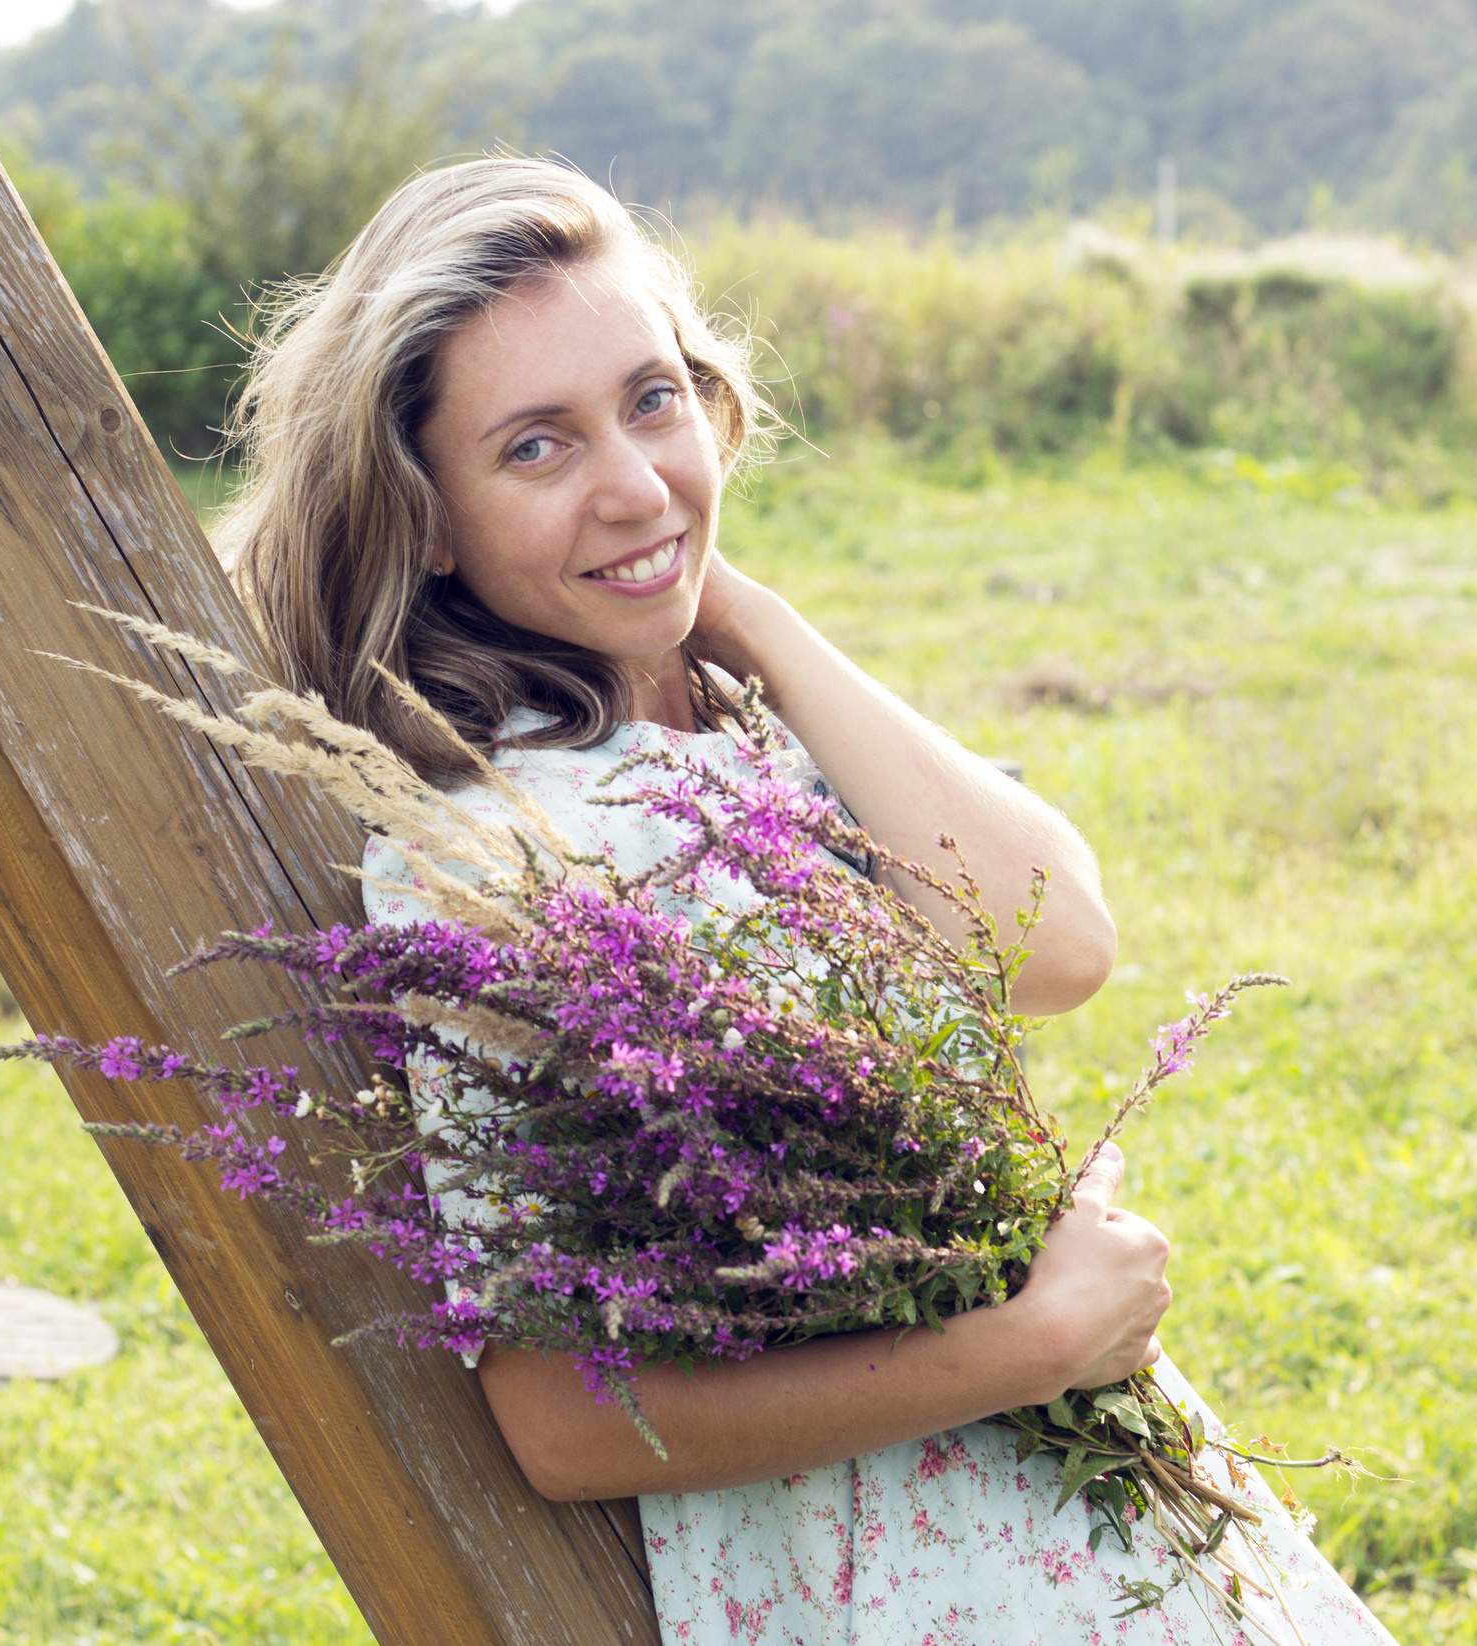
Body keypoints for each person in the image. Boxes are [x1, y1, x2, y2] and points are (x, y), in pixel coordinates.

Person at [216, 156, 1396, 1645]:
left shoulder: (752, 734)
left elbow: (1064, 944)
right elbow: (562, 1420)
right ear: (431, 517)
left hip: (1097, 1534)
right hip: (897, 1586)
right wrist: (1026, 1342)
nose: (636, 484)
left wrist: (746, 616)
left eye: (653, 400)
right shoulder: (496, 862)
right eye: (535, 447)